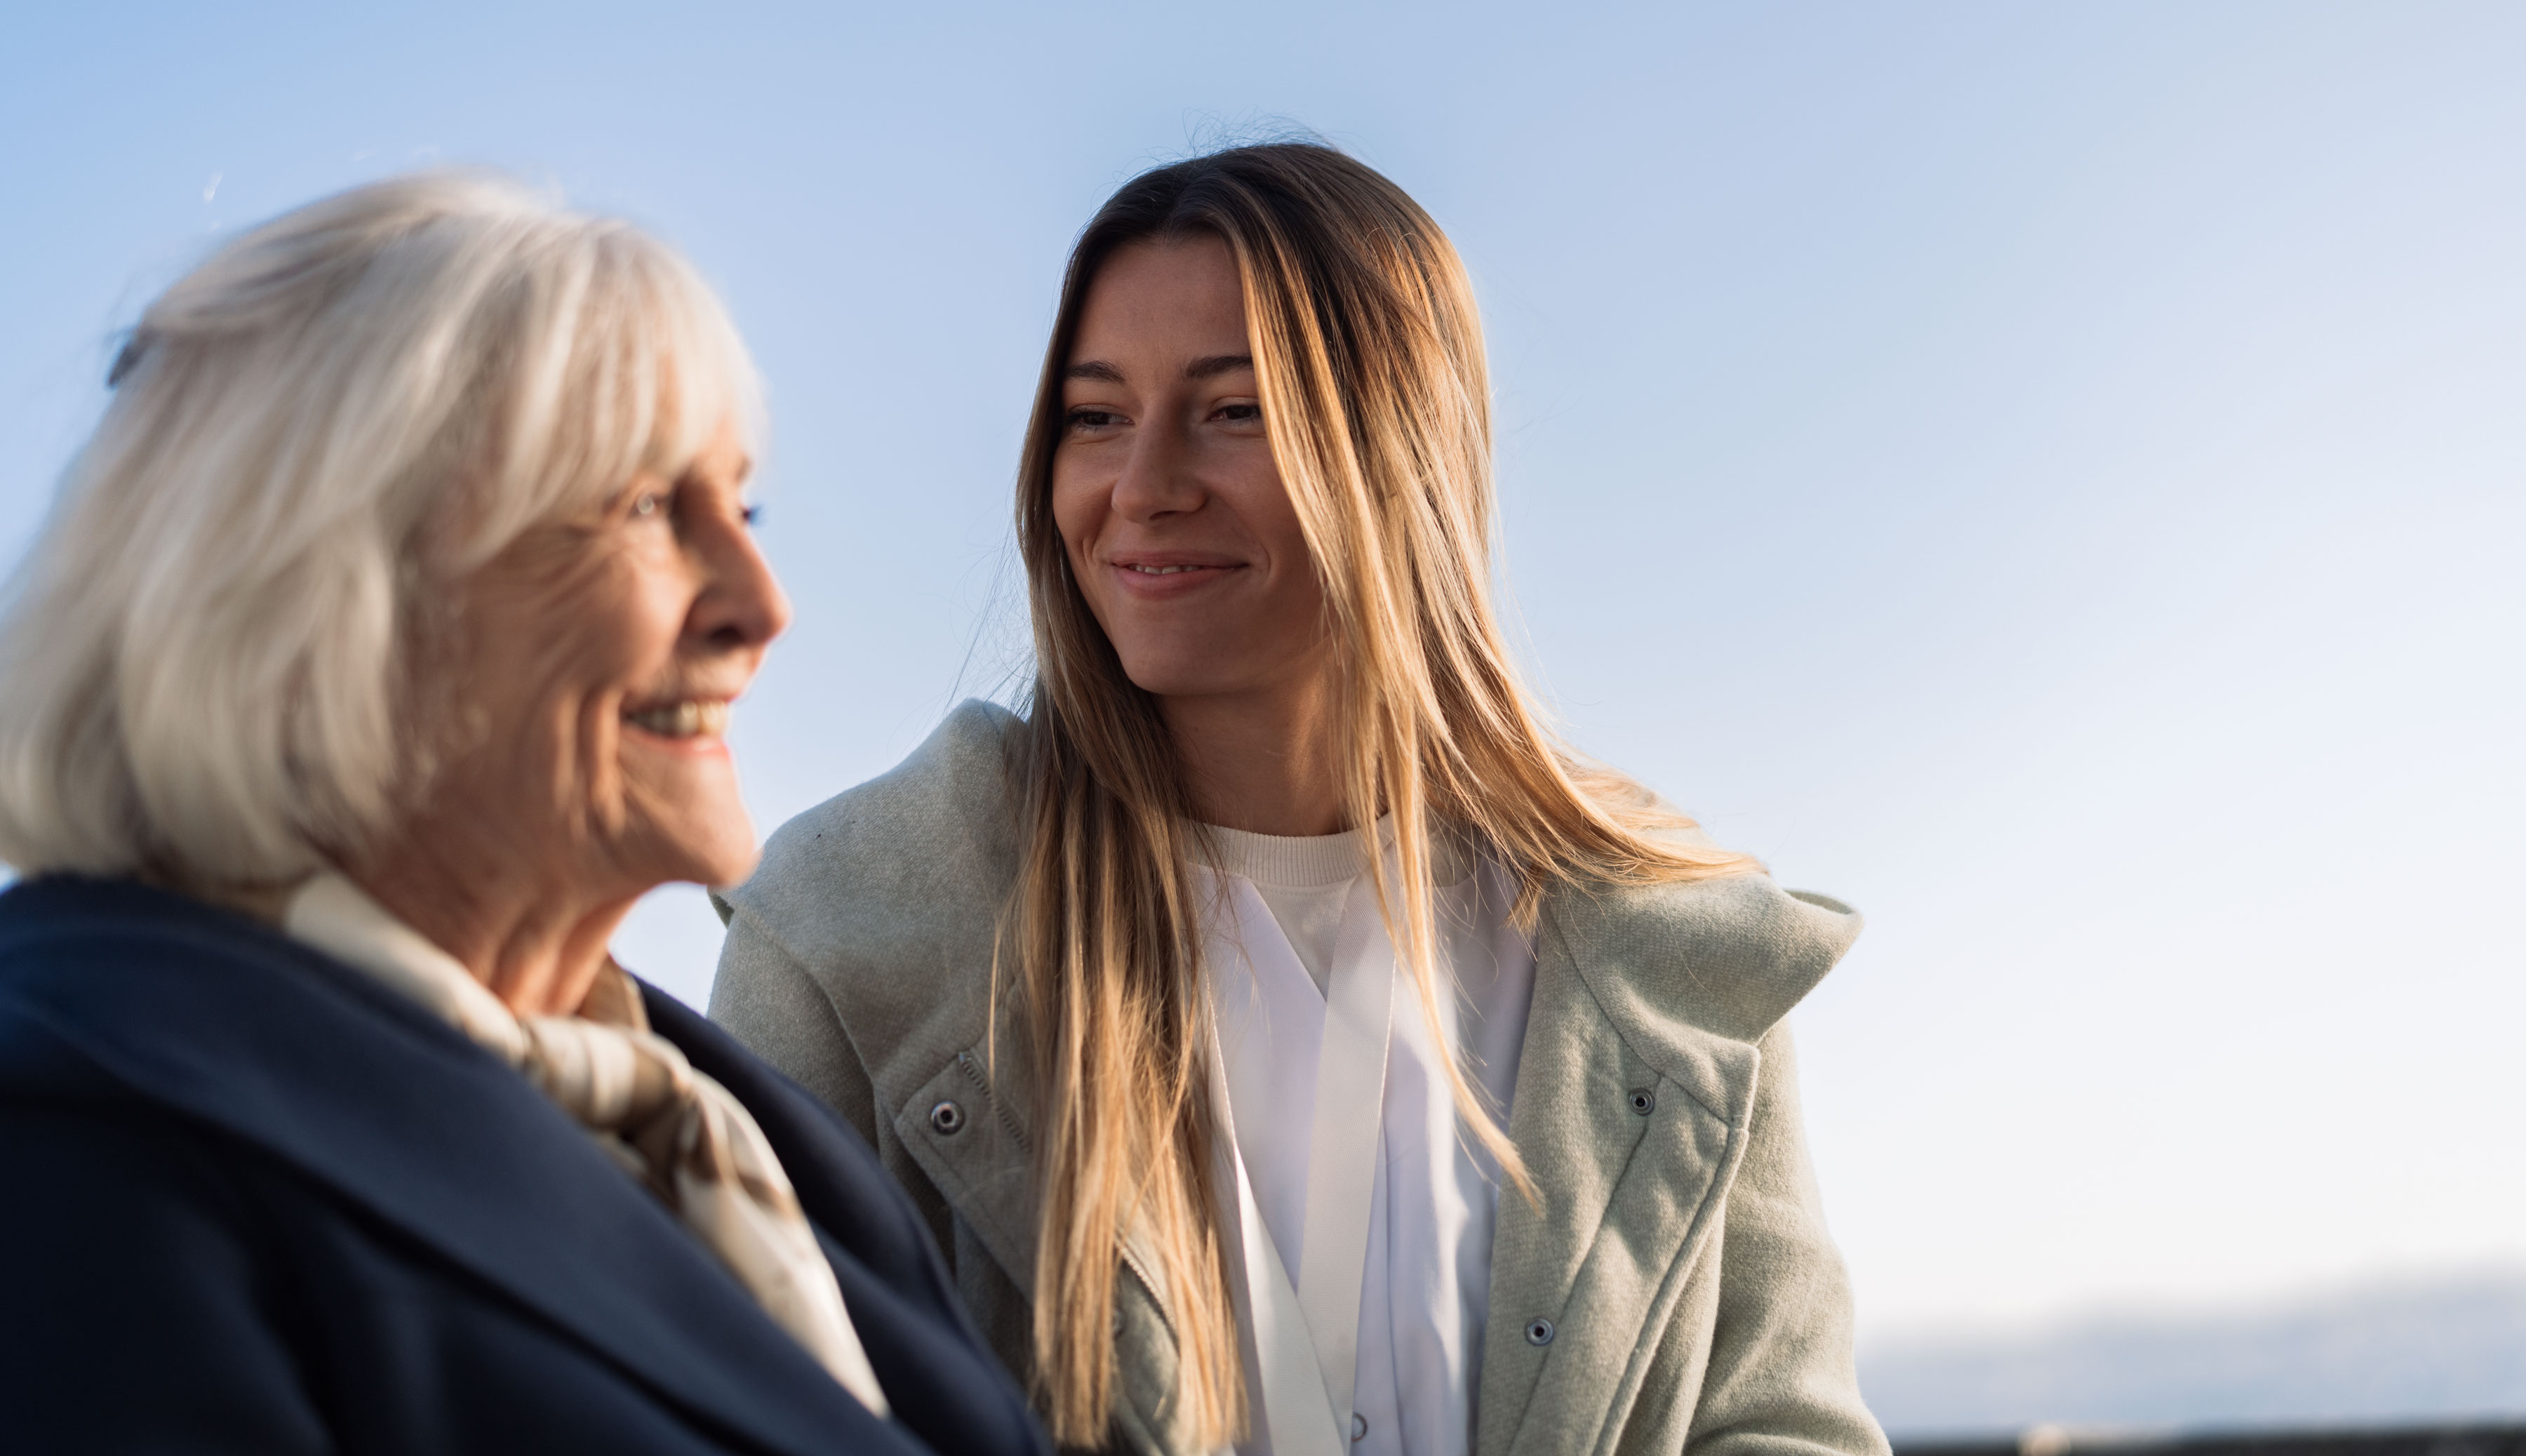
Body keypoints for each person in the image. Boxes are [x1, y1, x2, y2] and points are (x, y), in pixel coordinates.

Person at [710, 143, 1888, 1456]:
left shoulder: (1672, 947)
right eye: (1095, 417)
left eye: (1237, 409)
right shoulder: (852, 932)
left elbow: (1784, 1427)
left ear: (1403, 454)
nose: (1143, 485)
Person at [0, 176, 1050, 1456]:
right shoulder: (78, 1150)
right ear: (316, 595)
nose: (760, 606)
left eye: (747, 506)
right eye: (646, 510)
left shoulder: (741, 1132)